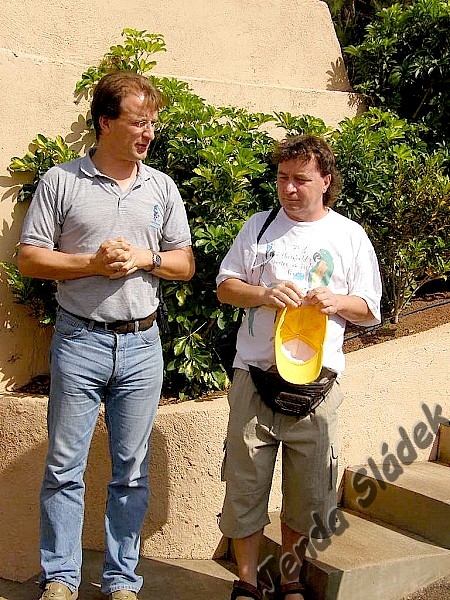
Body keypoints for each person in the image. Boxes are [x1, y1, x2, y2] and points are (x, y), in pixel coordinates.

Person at [18, 71, 195, 600]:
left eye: (153, 123)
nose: (149, 132)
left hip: (142, 346)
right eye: (139, 122)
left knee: (132, 471)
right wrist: (91, 264)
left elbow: (185, 264)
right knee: (64, 467)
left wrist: (145, 257)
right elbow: (30, 258)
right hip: (79, 342)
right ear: (106, 122)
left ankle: (121, 581)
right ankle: (60, 579)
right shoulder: (61, 181)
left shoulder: (161, 187)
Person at [216, 134, 381, 600]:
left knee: (308, 494)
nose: (289, 188)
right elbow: (225, 286)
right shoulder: (258, 227)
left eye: (301, 179)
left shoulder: (349, 235)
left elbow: (370, 308)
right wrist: (263, 293)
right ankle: (247, 581)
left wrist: (337, 302)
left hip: (318, 386)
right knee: (244, 488)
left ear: (325, 181)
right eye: (282, 178)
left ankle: (290, 578)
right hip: (254, 377)